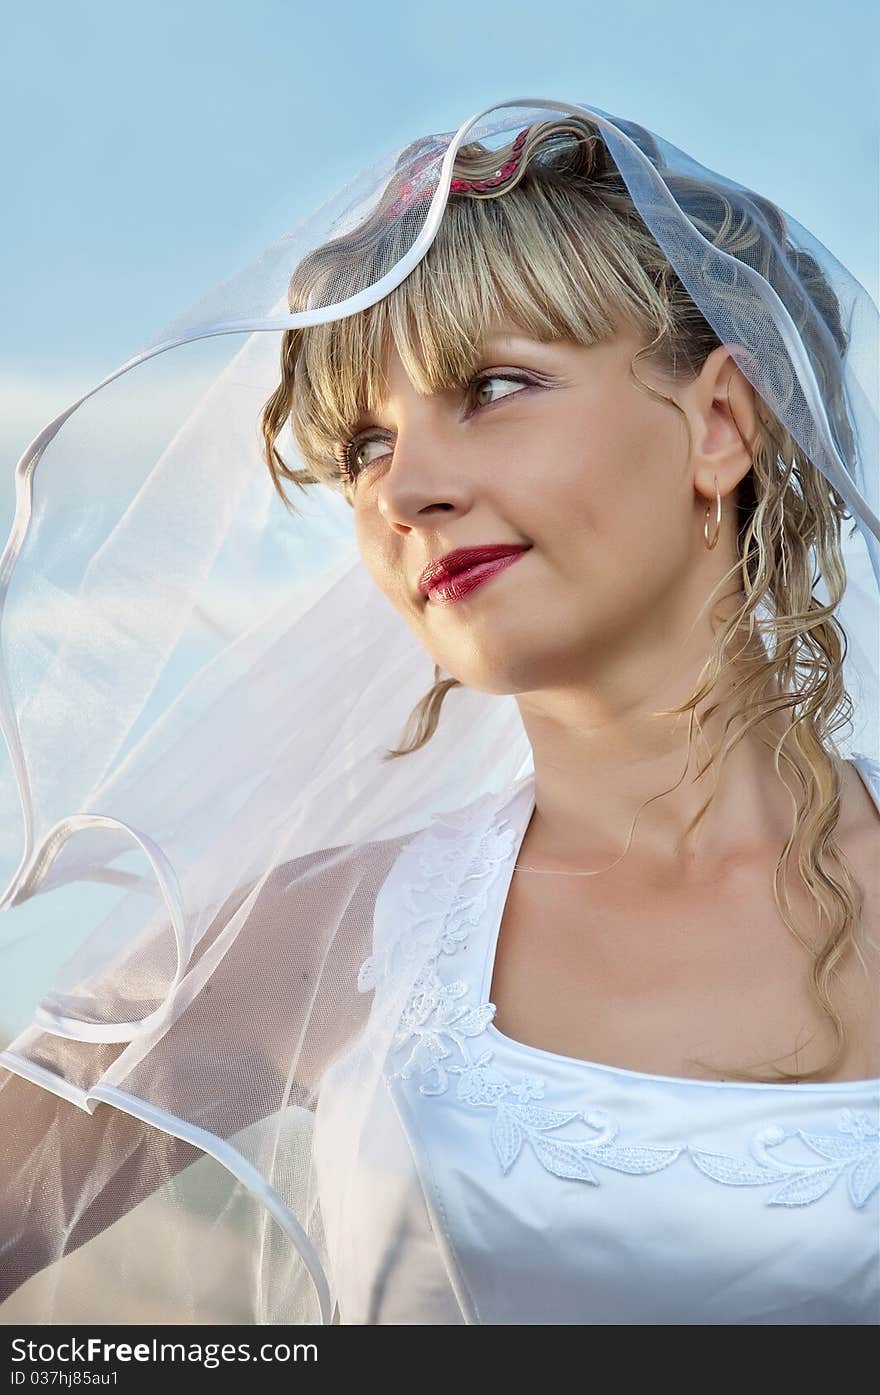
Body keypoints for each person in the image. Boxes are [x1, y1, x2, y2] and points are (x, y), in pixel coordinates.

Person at [0, 100, 877, 1326]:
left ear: (721, 424)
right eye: (361, 446)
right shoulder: (320, 937)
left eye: (496, 384)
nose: (405, 490)